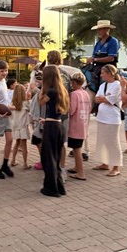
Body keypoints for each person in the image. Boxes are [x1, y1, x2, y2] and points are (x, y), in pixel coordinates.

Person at [39, 64, 69, 198]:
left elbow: (40, 102)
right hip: (58, 124)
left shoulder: (50, 91)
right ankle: (59, 187)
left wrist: (40, 88)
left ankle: (51, 188)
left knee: (48, 158)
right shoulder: (62, 90)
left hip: (51, 127)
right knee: (55, 158)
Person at [93, 65, 123, 177]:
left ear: (110, 73)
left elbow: (111, 99)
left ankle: (116, 167)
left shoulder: (118, 85)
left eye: (103, 73)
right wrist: (103, 99)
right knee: (103, 140)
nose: (101, 75)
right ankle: (105, 163)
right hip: (102, 117)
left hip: (112, 118)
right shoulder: (103, 85)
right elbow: (97, 98)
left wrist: (103, 99)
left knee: (113, 142)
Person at [46, 50, 71, 179]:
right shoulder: (66, 74)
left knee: (50, 144)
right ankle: (61, 169)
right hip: (64, 112)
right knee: (61, 144)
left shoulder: (48, 73)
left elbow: (44, 95)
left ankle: (53, 170)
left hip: (50, 114)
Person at [67, 72, 91, 181]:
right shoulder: (86, 93)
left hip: (75, 125)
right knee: (77, 147)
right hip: (83, 124)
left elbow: (71, 110)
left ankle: (81, 173)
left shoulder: (74, 94)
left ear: (74, 82)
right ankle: (77, 167)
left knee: (76, 149)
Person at [86, 20, 120, 89]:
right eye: (98, 30)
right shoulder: (98, 43)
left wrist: (95, 59)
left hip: (109, 69)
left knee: (103, 84)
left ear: (107, 29)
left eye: (100, 29)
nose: (98, 31)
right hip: (97, 69)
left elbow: (111, 58)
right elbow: (94, 56)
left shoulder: (113, 41)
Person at [9, 84, 31, 170]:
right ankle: (25, 163)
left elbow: (11, 115)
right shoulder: (25, 103)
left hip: (15, 126)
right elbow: (31, 110)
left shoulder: (12, 103)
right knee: (24, 145)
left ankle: (13, 160)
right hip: (23, 126)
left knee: (17, 143)